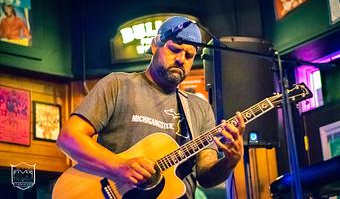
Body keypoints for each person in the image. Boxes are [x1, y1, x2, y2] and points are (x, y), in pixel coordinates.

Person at [56, 16, 245, 198]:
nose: (181, 59)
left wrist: (229, 162)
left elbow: (206, 175)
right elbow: (69, 137)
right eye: (174, 49)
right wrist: (118, 165)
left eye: (189, 55)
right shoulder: (118, 85)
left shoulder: (200, 108)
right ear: (155, 45)